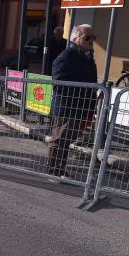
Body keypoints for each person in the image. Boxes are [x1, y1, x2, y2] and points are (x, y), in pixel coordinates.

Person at [47, 24, 98, 177]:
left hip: (80, 107)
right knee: (60, 140)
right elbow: (59, 80)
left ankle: (59, 170)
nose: (91, 41)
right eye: (87, 38)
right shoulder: (67, 56)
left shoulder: (87, 57)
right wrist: (81, 91)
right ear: (76, 39)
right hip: (66, 107)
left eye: (93, 38)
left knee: (67, 140)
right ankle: (53, 172)